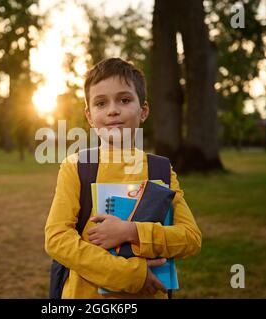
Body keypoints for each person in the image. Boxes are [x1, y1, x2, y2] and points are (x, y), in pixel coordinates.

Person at [44, 57, 202, 298]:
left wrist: (131, 232)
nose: (113, 110)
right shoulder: (76, 167)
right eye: (100, 103)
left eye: (125, 100)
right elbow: (57, 239)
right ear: (89, 116)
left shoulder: (160, 170)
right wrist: (129, 274)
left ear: (144, 110)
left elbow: (190, 239)